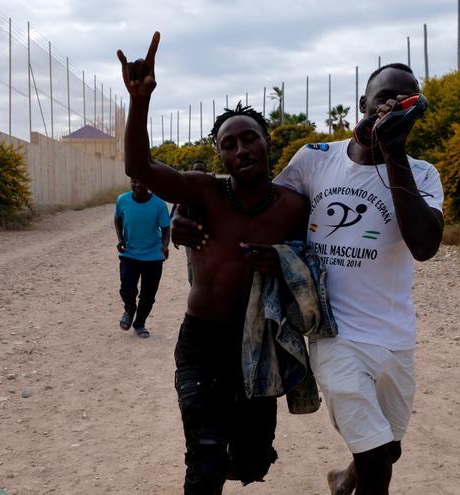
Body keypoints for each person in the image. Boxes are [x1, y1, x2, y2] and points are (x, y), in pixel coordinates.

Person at [172, 63, 444, 495]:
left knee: (387, 449)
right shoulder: (316, 158)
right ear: (363, 105)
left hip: (394, 335)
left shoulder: (423, 173)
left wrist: (393, 154)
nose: (390, 107)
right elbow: (254, 198)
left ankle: (344, 478)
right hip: (331, 334)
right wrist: (185, 209)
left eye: (403, 102)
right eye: (382, 99)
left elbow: (425, 247)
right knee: (376, 460)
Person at [117, 32, 310, 493]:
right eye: (229, 143)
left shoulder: (293, 207)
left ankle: (230, 452)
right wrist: (139, 101)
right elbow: (141, 167)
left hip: (257, 343)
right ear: (219, 154)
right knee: (203, 459)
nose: (241, 149)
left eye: (250, 138)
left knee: (252, 461)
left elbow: (317, 265)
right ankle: (207, 455)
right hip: (201, 343)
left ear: (267, 143)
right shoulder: (204, 191)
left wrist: (283, 262)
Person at [114, 177, 171, 338]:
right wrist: (120, 238)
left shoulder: (159, 204)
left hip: (153, 256)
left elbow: (166, 228)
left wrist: (164, 246)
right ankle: (129, 309)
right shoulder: (122, 200)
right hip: (129, 253)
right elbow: (117, 219)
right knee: (127, 289)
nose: (138, 184)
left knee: (148, 295)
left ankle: (140, 323)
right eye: (134, 181)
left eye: (142, 181)